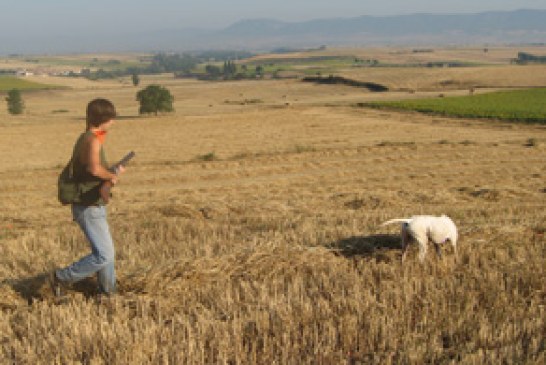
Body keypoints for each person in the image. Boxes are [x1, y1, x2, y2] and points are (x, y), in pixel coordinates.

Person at [51, 98, 125, 298]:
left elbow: (90, 171)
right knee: (104, 254)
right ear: (103, 119)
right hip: (88, 206)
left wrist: (110, 172)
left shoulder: (87, 137)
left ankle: (108, 292)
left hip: (92, 203)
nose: (113, 122)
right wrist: (112, 176)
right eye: (111, 118)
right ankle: (62, 277)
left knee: (106, 253)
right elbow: (93, 168)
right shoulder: (92, 140)